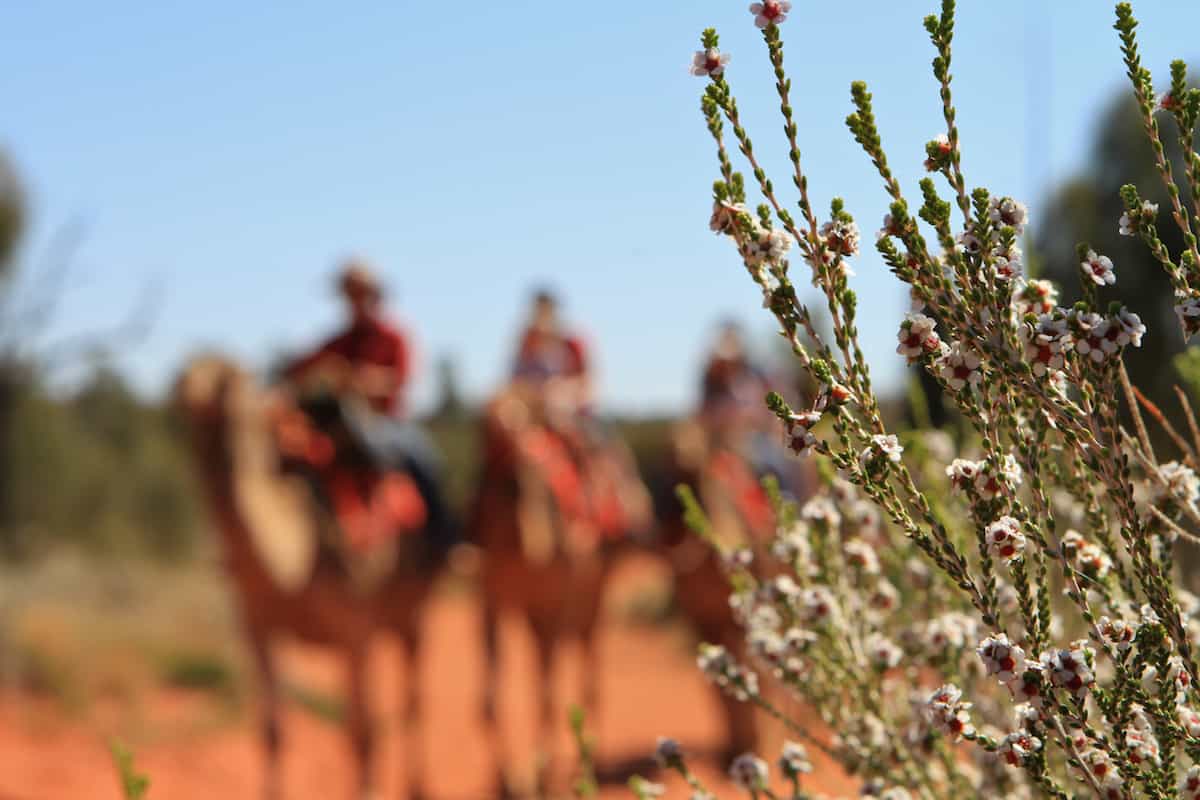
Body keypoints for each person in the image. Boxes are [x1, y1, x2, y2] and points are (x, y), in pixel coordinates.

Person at [282, 259, 454, 556]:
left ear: (375, 295)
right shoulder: (337, 341)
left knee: (425, 462)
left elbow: (399, 382)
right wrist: (313, 373)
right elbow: (298, 370)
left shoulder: (395, 336)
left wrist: (354, 380)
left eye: (358, 294)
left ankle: (443, 543)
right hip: (339, 427)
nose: (353, 302)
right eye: (348, 295)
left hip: (386, 423)